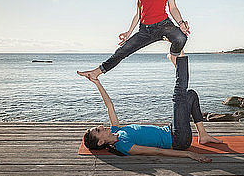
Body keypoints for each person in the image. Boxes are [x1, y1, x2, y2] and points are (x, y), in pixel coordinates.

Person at [80, 54, 221, 163]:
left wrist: (96, 83)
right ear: (100, 142)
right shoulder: (124, 146)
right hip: (178, 139)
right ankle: (179, 57)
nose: (100, 126)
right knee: (179, 94)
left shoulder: (117, 131)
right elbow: (157, 151)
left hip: (171, 129)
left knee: (190, 95)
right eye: (98, 130)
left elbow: (109, 105)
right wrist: (189, 154)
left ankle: (202, 135)